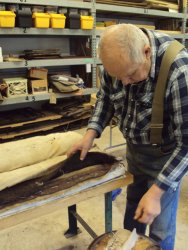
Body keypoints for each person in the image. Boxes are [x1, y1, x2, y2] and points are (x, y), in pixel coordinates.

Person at [67, 23, 188, 250]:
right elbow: (105, 98)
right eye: (117, 76)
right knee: (133, 214)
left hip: (166, 159)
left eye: (131, 75)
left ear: (146, 52)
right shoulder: (118, 61)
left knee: (159, 228)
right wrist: (90, 134)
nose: (124, 82)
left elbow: (187, 145)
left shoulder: (179, 71)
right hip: (135, 151)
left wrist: (157, 191)